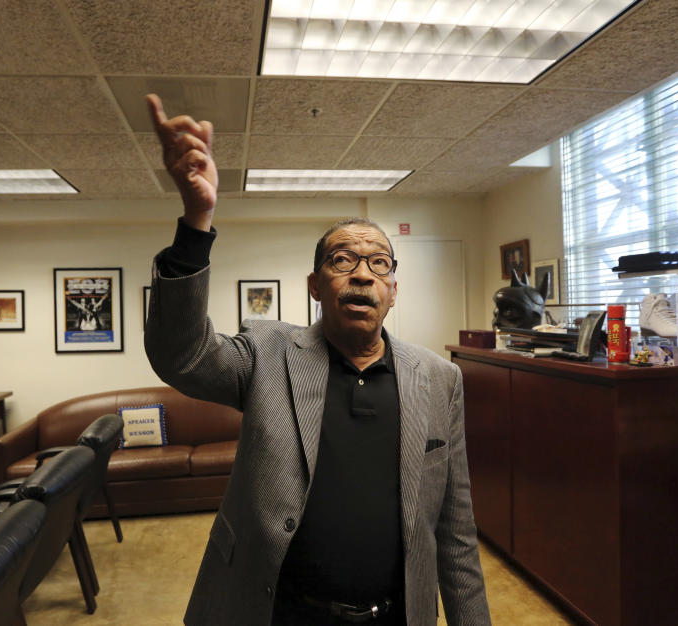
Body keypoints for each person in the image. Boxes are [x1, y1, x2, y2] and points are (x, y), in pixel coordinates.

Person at [143, 94, 490, 626]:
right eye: (342, 259)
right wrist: (197, 221)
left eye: (378, 263)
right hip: (276, 612)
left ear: (393, 290)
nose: (362, 273)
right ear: (315, 286)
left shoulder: (440, 379)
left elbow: (456, 533)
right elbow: (180, 356)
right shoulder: (266, 353)